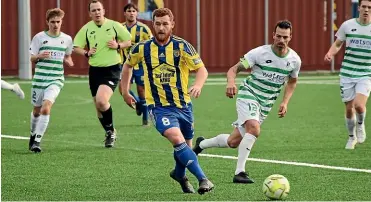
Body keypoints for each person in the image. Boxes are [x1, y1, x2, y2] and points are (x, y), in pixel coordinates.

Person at [193, 20, 302, 184]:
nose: (281, 40)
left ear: (290, 37)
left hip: (265, 104)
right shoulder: (259, 53)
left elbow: (292, 82)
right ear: (273, 35)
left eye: (285, 37)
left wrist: (285, 102)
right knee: (254, 128)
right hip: (248, 94)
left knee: (233, 142)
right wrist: (231, 82)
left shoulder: (294, 60)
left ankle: (202, 144)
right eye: (278, 36)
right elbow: (233, 69)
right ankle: (240, 172)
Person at [121, 8, 214, 194]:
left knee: (186, 145)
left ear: (172, 24)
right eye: (158, 24)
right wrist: (125, 91)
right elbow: (127, 66)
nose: (161, 28)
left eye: (165, 24)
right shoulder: (142, 48)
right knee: (176, 138)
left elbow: (202, 69)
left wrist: (198, 85)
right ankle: (203, 179)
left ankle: (179, 174)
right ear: (153, 25)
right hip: (159, 107)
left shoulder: (182, 46)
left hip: (184, 105)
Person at [73, 0, 131, 148]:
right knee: (99, 108)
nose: (97, 12)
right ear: (90, 13)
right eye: (94, 10)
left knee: (101, 101)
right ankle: (109, 132)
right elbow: (76, 47)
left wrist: (118, 45)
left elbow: (128, 41)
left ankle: (111, 132)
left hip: (112, 69)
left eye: (99, 9)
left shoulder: (114, 25)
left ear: (103, 11)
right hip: (95, 71)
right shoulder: (87, 28)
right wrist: (86, 52)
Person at [324, 0, 371, 150]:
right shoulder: (347, 25)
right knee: (349, 108)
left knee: (359, 105)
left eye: (369, 7)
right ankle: (351, 137)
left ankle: (360, 124)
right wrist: (330, 53)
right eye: (364, 6)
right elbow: (338, 44)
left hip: (366, 73)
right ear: (359, 8)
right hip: (347, 73)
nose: (366, 10)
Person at [28, 8, 74, 153]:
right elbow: (31, 57)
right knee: (36, 111)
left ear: (61, 22)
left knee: (46, 108)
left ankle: (37, 141)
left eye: (58, 22)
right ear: (47, 22)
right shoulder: (39, 37)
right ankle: (32, 134)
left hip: (56, 79)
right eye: (52, 22)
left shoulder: (67, 39)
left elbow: (67, 55)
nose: (55, 24)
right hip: (39, 79)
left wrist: (69, 61)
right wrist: (40, 56)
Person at [120, 3, 153, 126]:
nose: (131, 13)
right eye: (129, 11)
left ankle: (145, 118)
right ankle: (139, 104)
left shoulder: (144, 29)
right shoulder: (119, 28)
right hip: (124, 64)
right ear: (125, 13)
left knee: (141, 90)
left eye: (134, 11)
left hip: (140, 64)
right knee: (122, 89)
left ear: (137, 13)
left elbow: (151, 44)